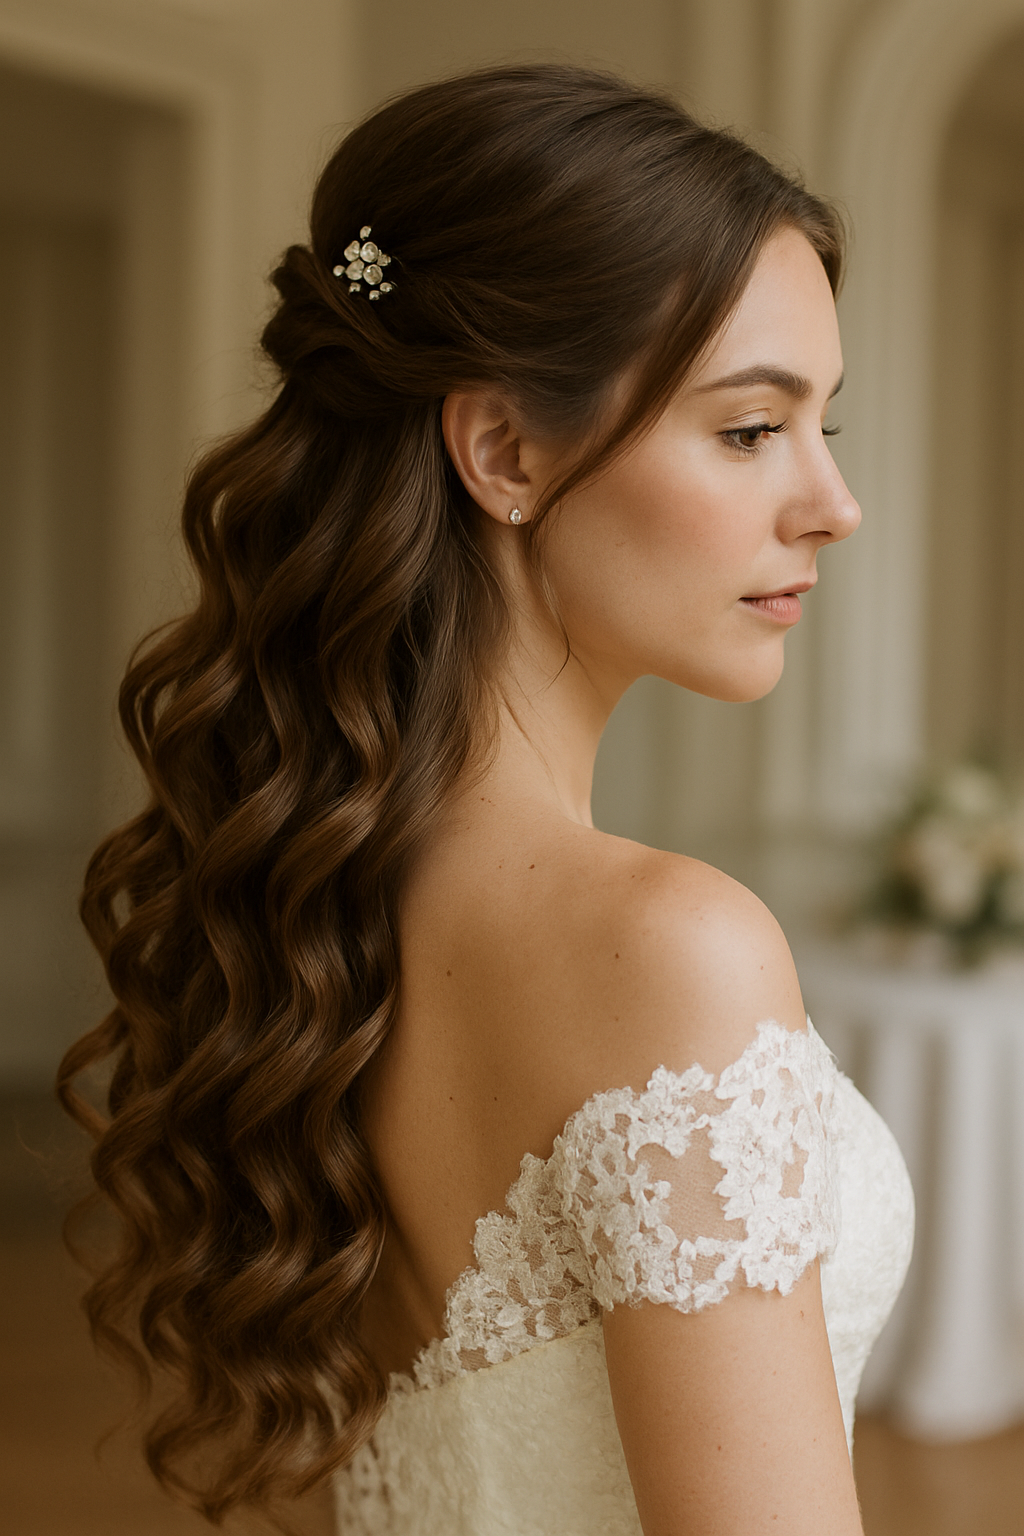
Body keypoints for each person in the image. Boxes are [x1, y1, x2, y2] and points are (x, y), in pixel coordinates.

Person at [59, 64, 914, 1535]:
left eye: (827, 423)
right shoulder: (671, 950)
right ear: (504, 451)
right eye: (751, 427)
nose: (832, 502)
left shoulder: (319, 902)